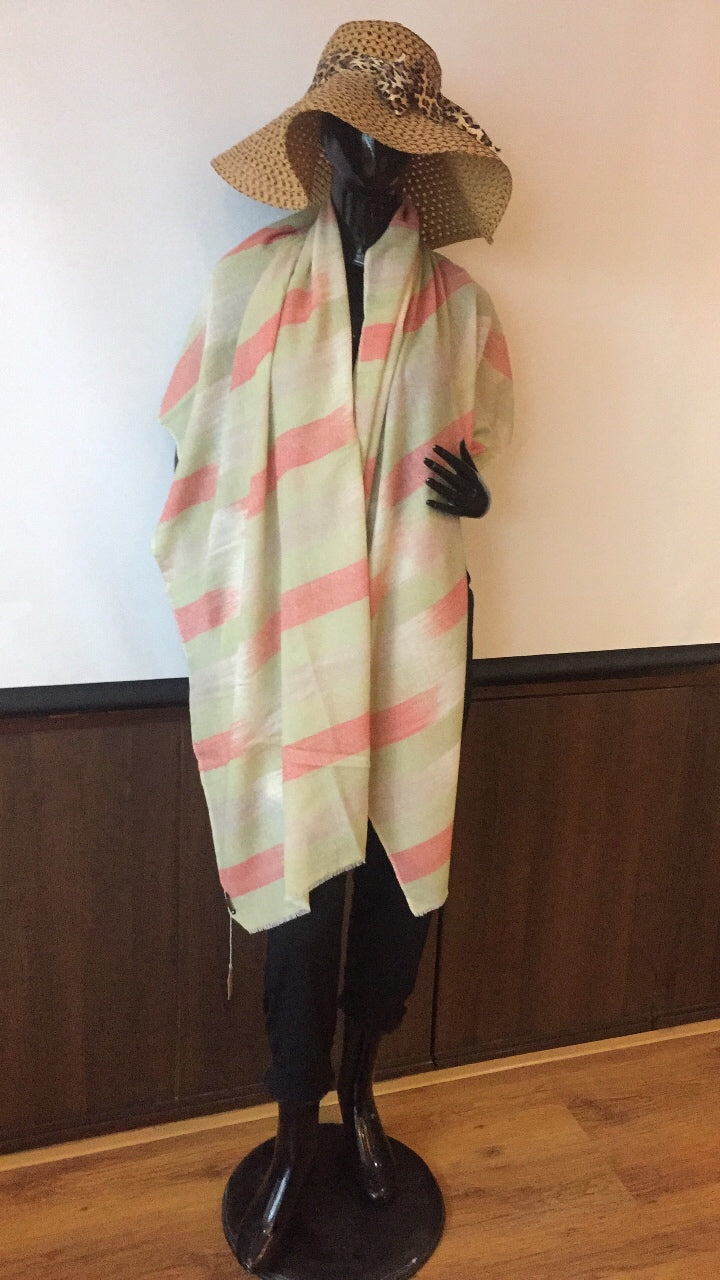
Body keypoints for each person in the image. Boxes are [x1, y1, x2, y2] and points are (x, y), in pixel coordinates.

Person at [152, 20, 512, 1274]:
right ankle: (294, 1129)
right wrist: (243, 532)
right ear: (322, 142)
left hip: (412, 631)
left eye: (399, 142)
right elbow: (189, 446)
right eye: (360, 135)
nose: (377, 161)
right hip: (287, 638)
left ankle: (363, 1090)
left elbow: (482, 443)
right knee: (303, 901)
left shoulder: (459, 309)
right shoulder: (246, 289)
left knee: (395, 894)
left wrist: (472, 495)